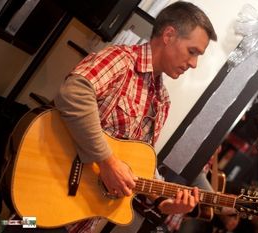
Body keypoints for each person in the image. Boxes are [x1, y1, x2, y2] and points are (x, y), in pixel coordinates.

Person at [53, 1, 217, 232]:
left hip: (80, 221)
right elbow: (73, 94)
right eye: (192, 52)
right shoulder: (121, 60)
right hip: (47, 196)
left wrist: (164, 202)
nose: (193, 64)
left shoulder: (162, 100)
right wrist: (107, 161)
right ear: (169, 35)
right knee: (16, 225)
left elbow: (139, 163)